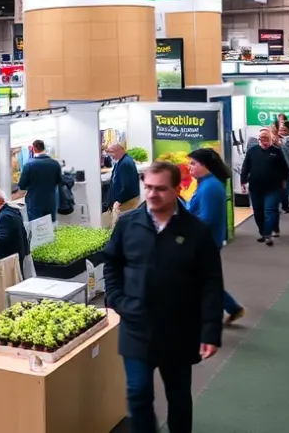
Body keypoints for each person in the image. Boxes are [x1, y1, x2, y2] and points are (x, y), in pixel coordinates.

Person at [102, 161, 223, 433]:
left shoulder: (196, 232)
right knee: (138, 393)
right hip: (136, 326)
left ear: (178, 188)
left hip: (179, 330)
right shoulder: (128, 224)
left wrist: (210, 331)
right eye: (148, 188)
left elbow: (211, 284)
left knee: (178, 398)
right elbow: (111, 262)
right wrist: (116, 299)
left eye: (160, 189)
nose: (152, 194)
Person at [186, 149, 244, 326]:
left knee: (202, 282)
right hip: (205, 242)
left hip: (205, 243)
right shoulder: (206, 184)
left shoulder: (210, 187)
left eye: (193, 164)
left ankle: (216, 314)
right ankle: (231, 308)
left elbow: (207, 219)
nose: (189, 167)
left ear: (205, 166)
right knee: (203, 281)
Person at [239, 128, 289, 245]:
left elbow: (284, 168)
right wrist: (243, 181)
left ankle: (268, 234)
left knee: (270, 210)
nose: (264, 141)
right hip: (256, 187)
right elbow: (245, 167)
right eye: (262, 138)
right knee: (258, 211)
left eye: (266, 138)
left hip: (273, 187)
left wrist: (284, 181)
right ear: (259, 139)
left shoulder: (277, 151)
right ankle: (263, 232)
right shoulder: (252, 151)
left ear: (270, 139)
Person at [18, 140, 62, 223]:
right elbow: (59, 181)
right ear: (43, 147)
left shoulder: (29, 164)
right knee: (50, 227)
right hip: (51, 201)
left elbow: (22, 185)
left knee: (37, 228)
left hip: (35, 202)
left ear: (34, 148)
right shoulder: (55, 163)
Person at [106, 143, 141, 214]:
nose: (111, 157)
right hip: (122, 202)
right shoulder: (121, 161)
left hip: (125, 203)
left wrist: (119, 200)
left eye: (111, 153)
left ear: (119, 151)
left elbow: (127, 185)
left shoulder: (125, 163)